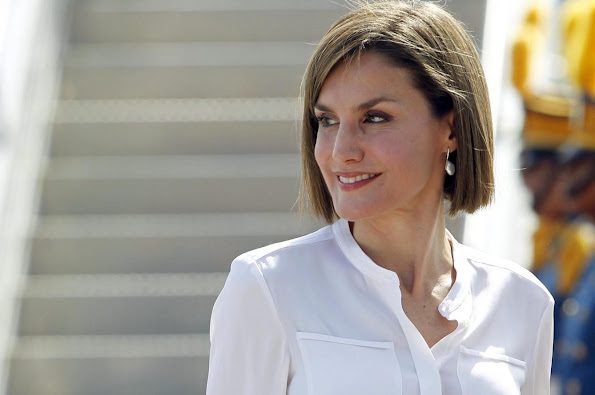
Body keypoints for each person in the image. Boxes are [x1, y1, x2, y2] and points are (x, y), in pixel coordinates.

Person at [206, 1, 554, 394]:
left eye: (374, 118)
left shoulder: (523, 301)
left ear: (451, 129)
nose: (341, 151)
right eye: (327, 121)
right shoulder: (268, 286)